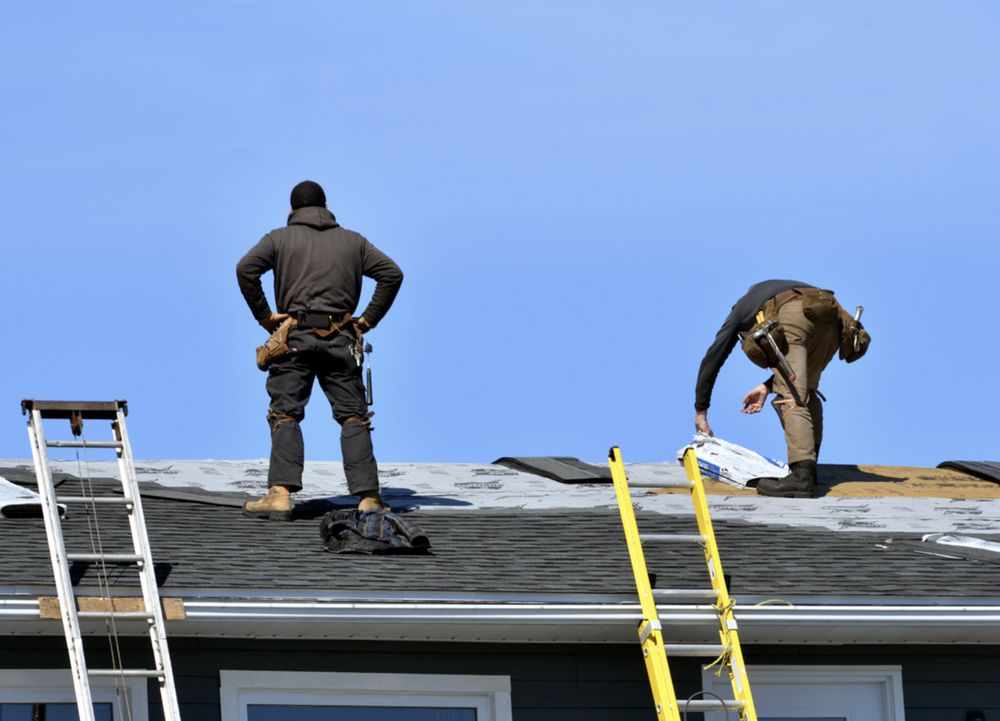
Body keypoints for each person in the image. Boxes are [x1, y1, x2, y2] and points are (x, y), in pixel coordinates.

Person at [236, 180, 403, 519]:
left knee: (286, 412)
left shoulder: (278, 239)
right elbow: (391, 274)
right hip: (341, 338)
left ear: (291, 211)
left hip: (294, 339)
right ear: (326, 207)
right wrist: (366, 321)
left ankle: (280, 494)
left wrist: (266, 317)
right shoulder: (353, 241)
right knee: (353, 415)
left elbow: (245, 269)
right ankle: (369, 496)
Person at [693, 280, 846, 498]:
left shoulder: (742, 308)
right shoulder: (779, 289)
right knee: (805, 389)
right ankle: (811, 470)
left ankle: (802, 477)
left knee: (792, 396)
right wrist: (766, 387)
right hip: (833, 318)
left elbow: (714, 356)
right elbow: (795, 375)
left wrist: (701, 411)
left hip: (796, 314)